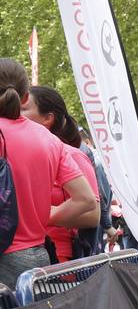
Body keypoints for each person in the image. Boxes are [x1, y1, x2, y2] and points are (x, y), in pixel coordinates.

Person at [0, 58, 97, 288]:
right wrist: (43, 215)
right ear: (24, 96)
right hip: (38, 258)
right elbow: (86, 200)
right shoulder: (49, 139)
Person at [21, 85, 104, 261]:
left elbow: (93, 215)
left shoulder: (72, 155)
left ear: (47, 118)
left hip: (63, 262)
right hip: (28, 255)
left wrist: (43, 215)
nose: (17, 114)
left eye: (24, 109)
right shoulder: (18, 154)